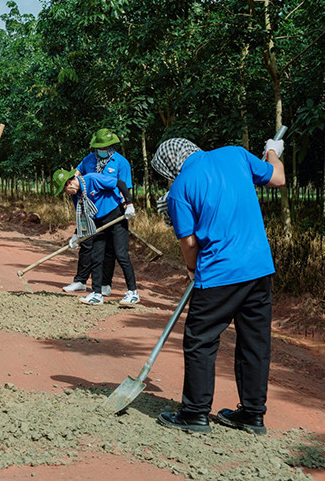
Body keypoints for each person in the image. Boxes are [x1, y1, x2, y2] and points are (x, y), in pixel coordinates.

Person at [154, 137, 285, 435]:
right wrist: (272, 152)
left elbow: (189, 244)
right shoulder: (235, 155)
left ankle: (195, 413)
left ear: (169, 165)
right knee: (255, 342)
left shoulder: (179, 189)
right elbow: (277, 177)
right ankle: (252, 415)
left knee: (200, 340)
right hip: (258, 268)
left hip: (218, 274)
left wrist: (191, 270)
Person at [62, 128, 135, 298]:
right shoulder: (89, 161)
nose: (102, 150)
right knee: (89, 246)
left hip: (114, 211)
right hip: (92, 211)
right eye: (99, 147)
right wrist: (76, 233)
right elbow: (76, 175)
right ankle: (82, 282)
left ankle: (105, 285)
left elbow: (124, 185)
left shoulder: (121, 162)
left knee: (113, 251)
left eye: (106, 147)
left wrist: (128, 205)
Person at [53, 166, 138, 305]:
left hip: (115, 216)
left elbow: (120, 183)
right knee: (96, 257)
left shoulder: (92, 178)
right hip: (98, 223)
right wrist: (76, 235)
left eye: (64, 190)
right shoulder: (76, 195)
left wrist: (129, 204)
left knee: (121, 255)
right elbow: (82, 216)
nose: (66, 193)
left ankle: (133, 292)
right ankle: (97, 294)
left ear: (69, 182)